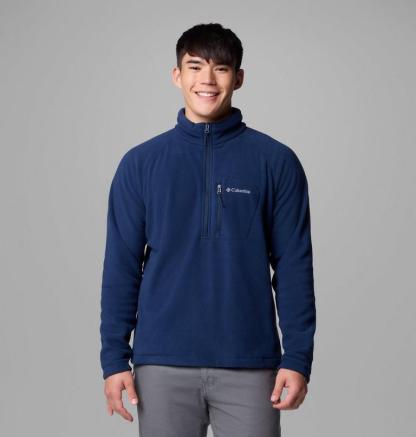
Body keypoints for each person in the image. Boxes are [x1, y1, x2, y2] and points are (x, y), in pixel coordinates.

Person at [100, 22, 316, 437]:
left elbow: (294, 266)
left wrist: (298, 358)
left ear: (239, 78)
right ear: (177, 75)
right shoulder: (140, 164)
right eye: (195, 66)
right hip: (161, 364)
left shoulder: (276, 162)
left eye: (221, 68)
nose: (207, 80)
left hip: (251, 363)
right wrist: (114, 359)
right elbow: (121, 268)